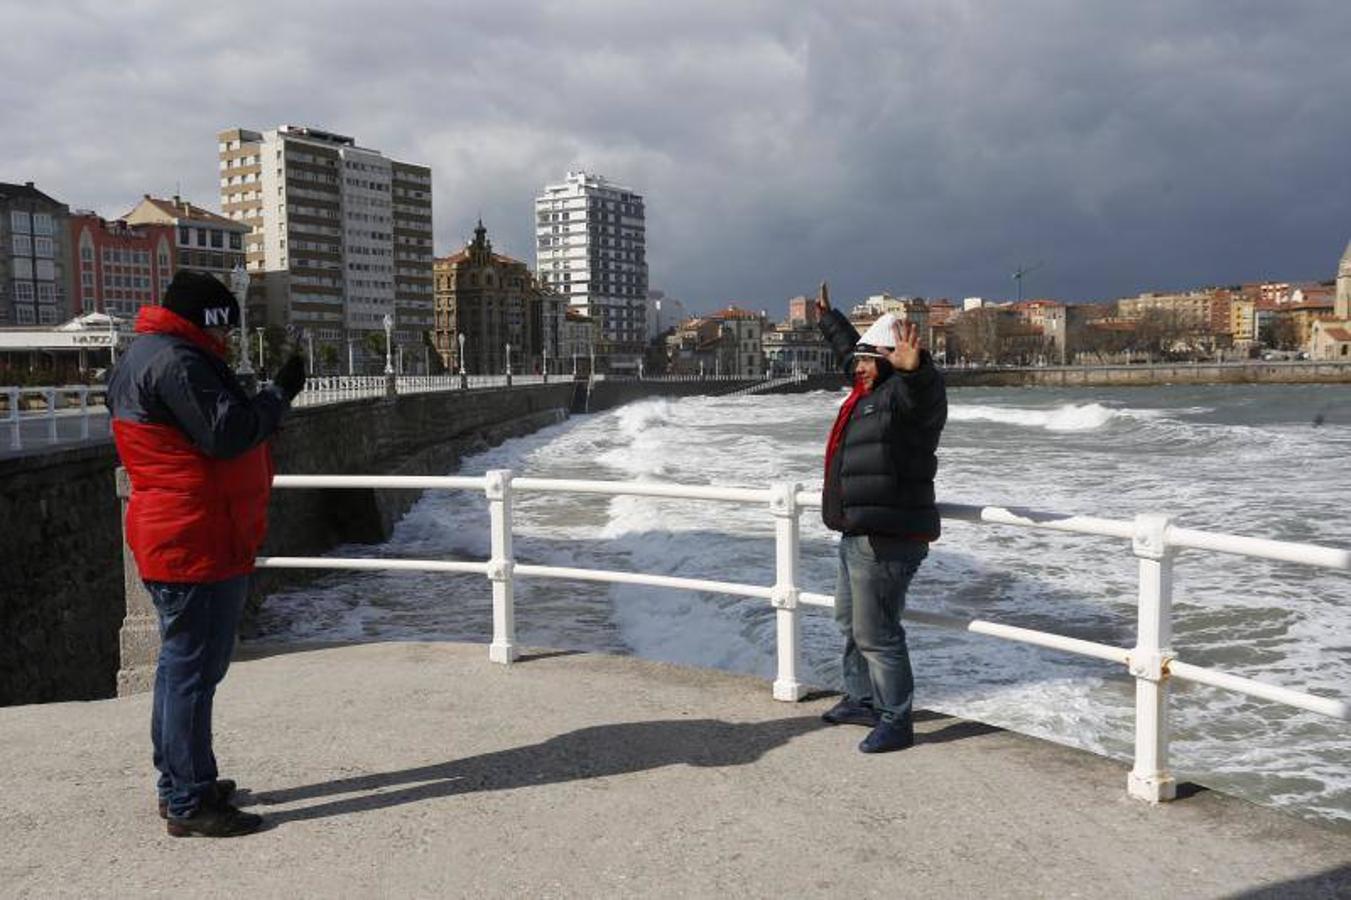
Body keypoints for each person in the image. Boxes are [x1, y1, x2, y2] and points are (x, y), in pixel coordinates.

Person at [107, 271, 306, 837]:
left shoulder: (145, 355)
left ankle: (182, 783)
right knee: (192, 671)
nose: (227, 342)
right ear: (208, 319)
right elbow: (229, 432)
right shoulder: (178, 361)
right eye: (224, 330)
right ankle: (191, 801)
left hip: (180, 532)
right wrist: (278, 394)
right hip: (196, 537)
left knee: (180, 669)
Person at [814, 281, 947, 753]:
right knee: (850, 623)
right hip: (857, 532)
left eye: (871, 361)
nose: (861, 368)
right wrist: (830, 321)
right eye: (861, 362)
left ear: (894, 361)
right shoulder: (869, 388)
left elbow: (925, 399)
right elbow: (852, 352)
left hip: (889, 537)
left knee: (877, 632)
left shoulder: (904, 399)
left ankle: (896, 719)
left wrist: (919, 371)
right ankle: (862, 699)